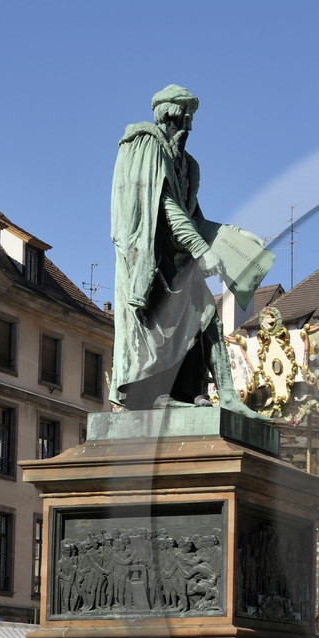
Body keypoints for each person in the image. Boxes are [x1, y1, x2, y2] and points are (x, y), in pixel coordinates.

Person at [110, 85, 271, 411]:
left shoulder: (186, 163)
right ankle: (152, 396)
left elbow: (192, 217)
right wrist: (201, 249)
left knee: (209, 315)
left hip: (178, 257)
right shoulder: (147, 145)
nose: (190, 127)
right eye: (185, 118)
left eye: (191, 119)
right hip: (150, 258)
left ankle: (225, 394)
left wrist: (235, 235)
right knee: (157, 332)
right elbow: (164, 205)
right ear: (168, 115)